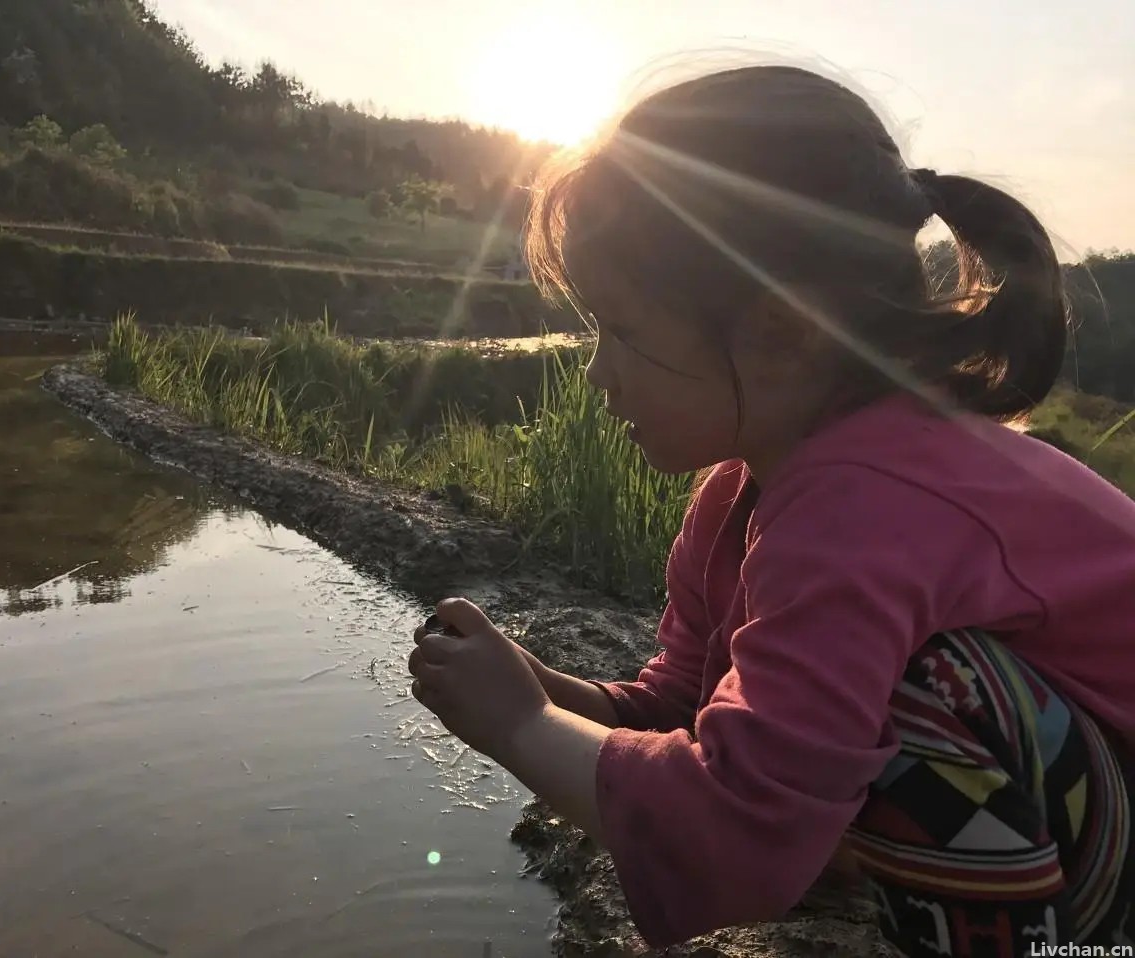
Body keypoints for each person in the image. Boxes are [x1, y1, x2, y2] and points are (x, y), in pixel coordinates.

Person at [407, 63, 1135, 957]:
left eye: (624, 330)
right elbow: (689, 704)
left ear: (782, 331)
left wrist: (523, 728)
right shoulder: (744, 496)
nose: (599, 372)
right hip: (1087, 809)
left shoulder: (869, 507)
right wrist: (554, 694)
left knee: (919, 692)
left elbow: (739, 829)